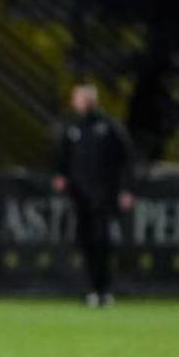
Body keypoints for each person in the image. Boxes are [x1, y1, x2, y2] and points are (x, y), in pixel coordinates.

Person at [53, 84, 135, 307]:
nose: (74, 102)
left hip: (105, 196)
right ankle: (90, 289)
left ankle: (104, 289)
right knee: (85, 243)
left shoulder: (109, 127)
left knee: (103, 241)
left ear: (89, 100)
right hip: (80, 197)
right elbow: (62, 158)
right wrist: (61, 177)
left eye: (77, 98)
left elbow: (126, 160)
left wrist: (126, 189)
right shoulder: (72, 128)